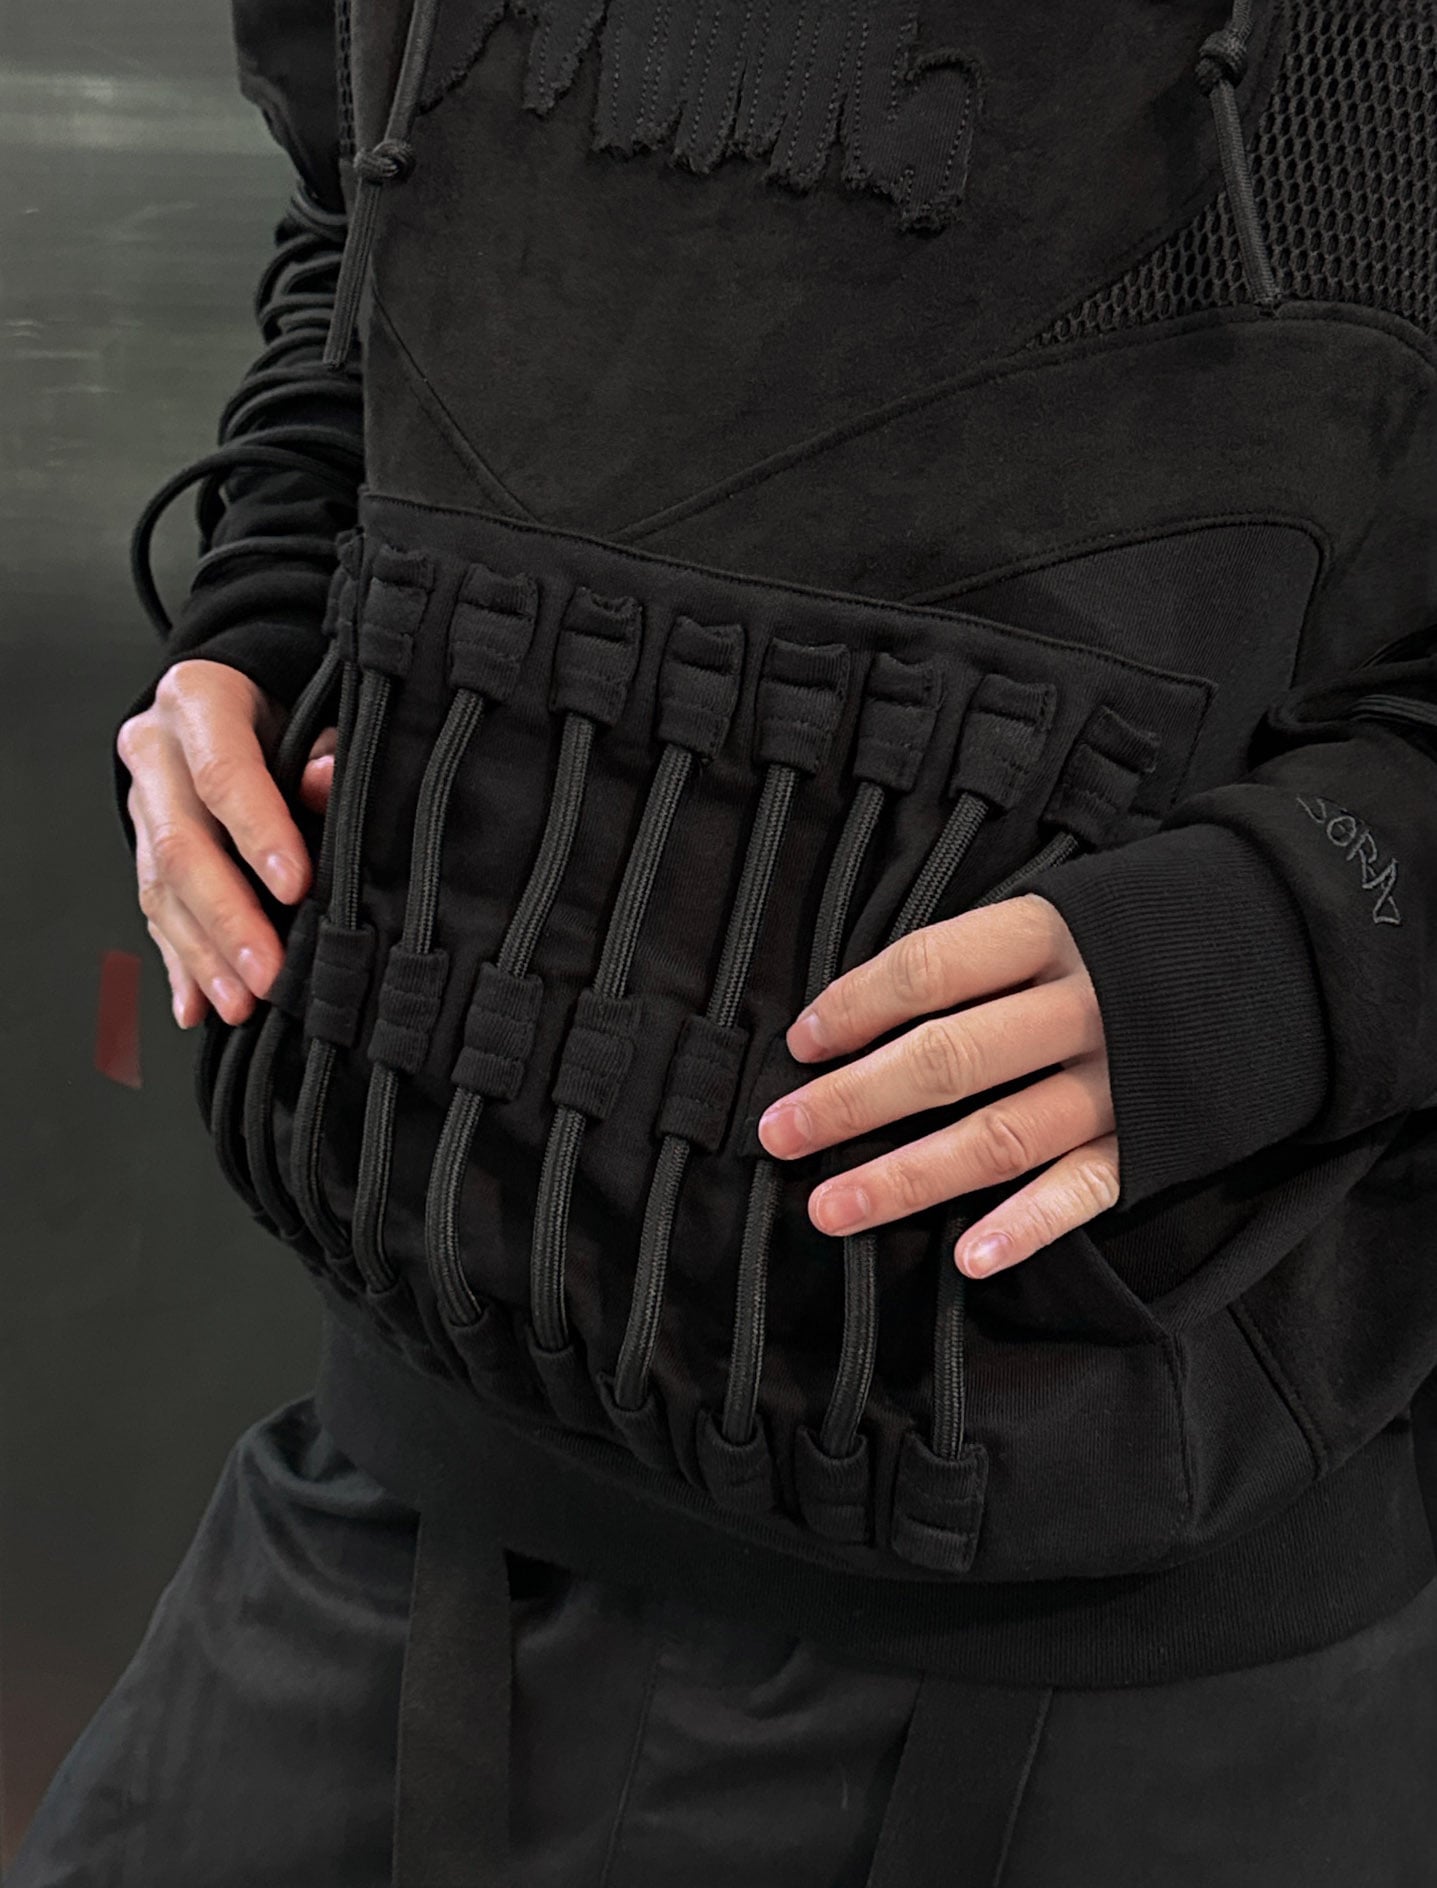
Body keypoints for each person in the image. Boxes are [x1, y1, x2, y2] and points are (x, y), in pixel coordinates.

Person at [15, 1, 1437, 1882]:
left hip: (1121, 1666)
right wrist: (263, 611)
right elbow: (363, 223)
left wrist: (1299, 935)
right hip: (392, 1501)